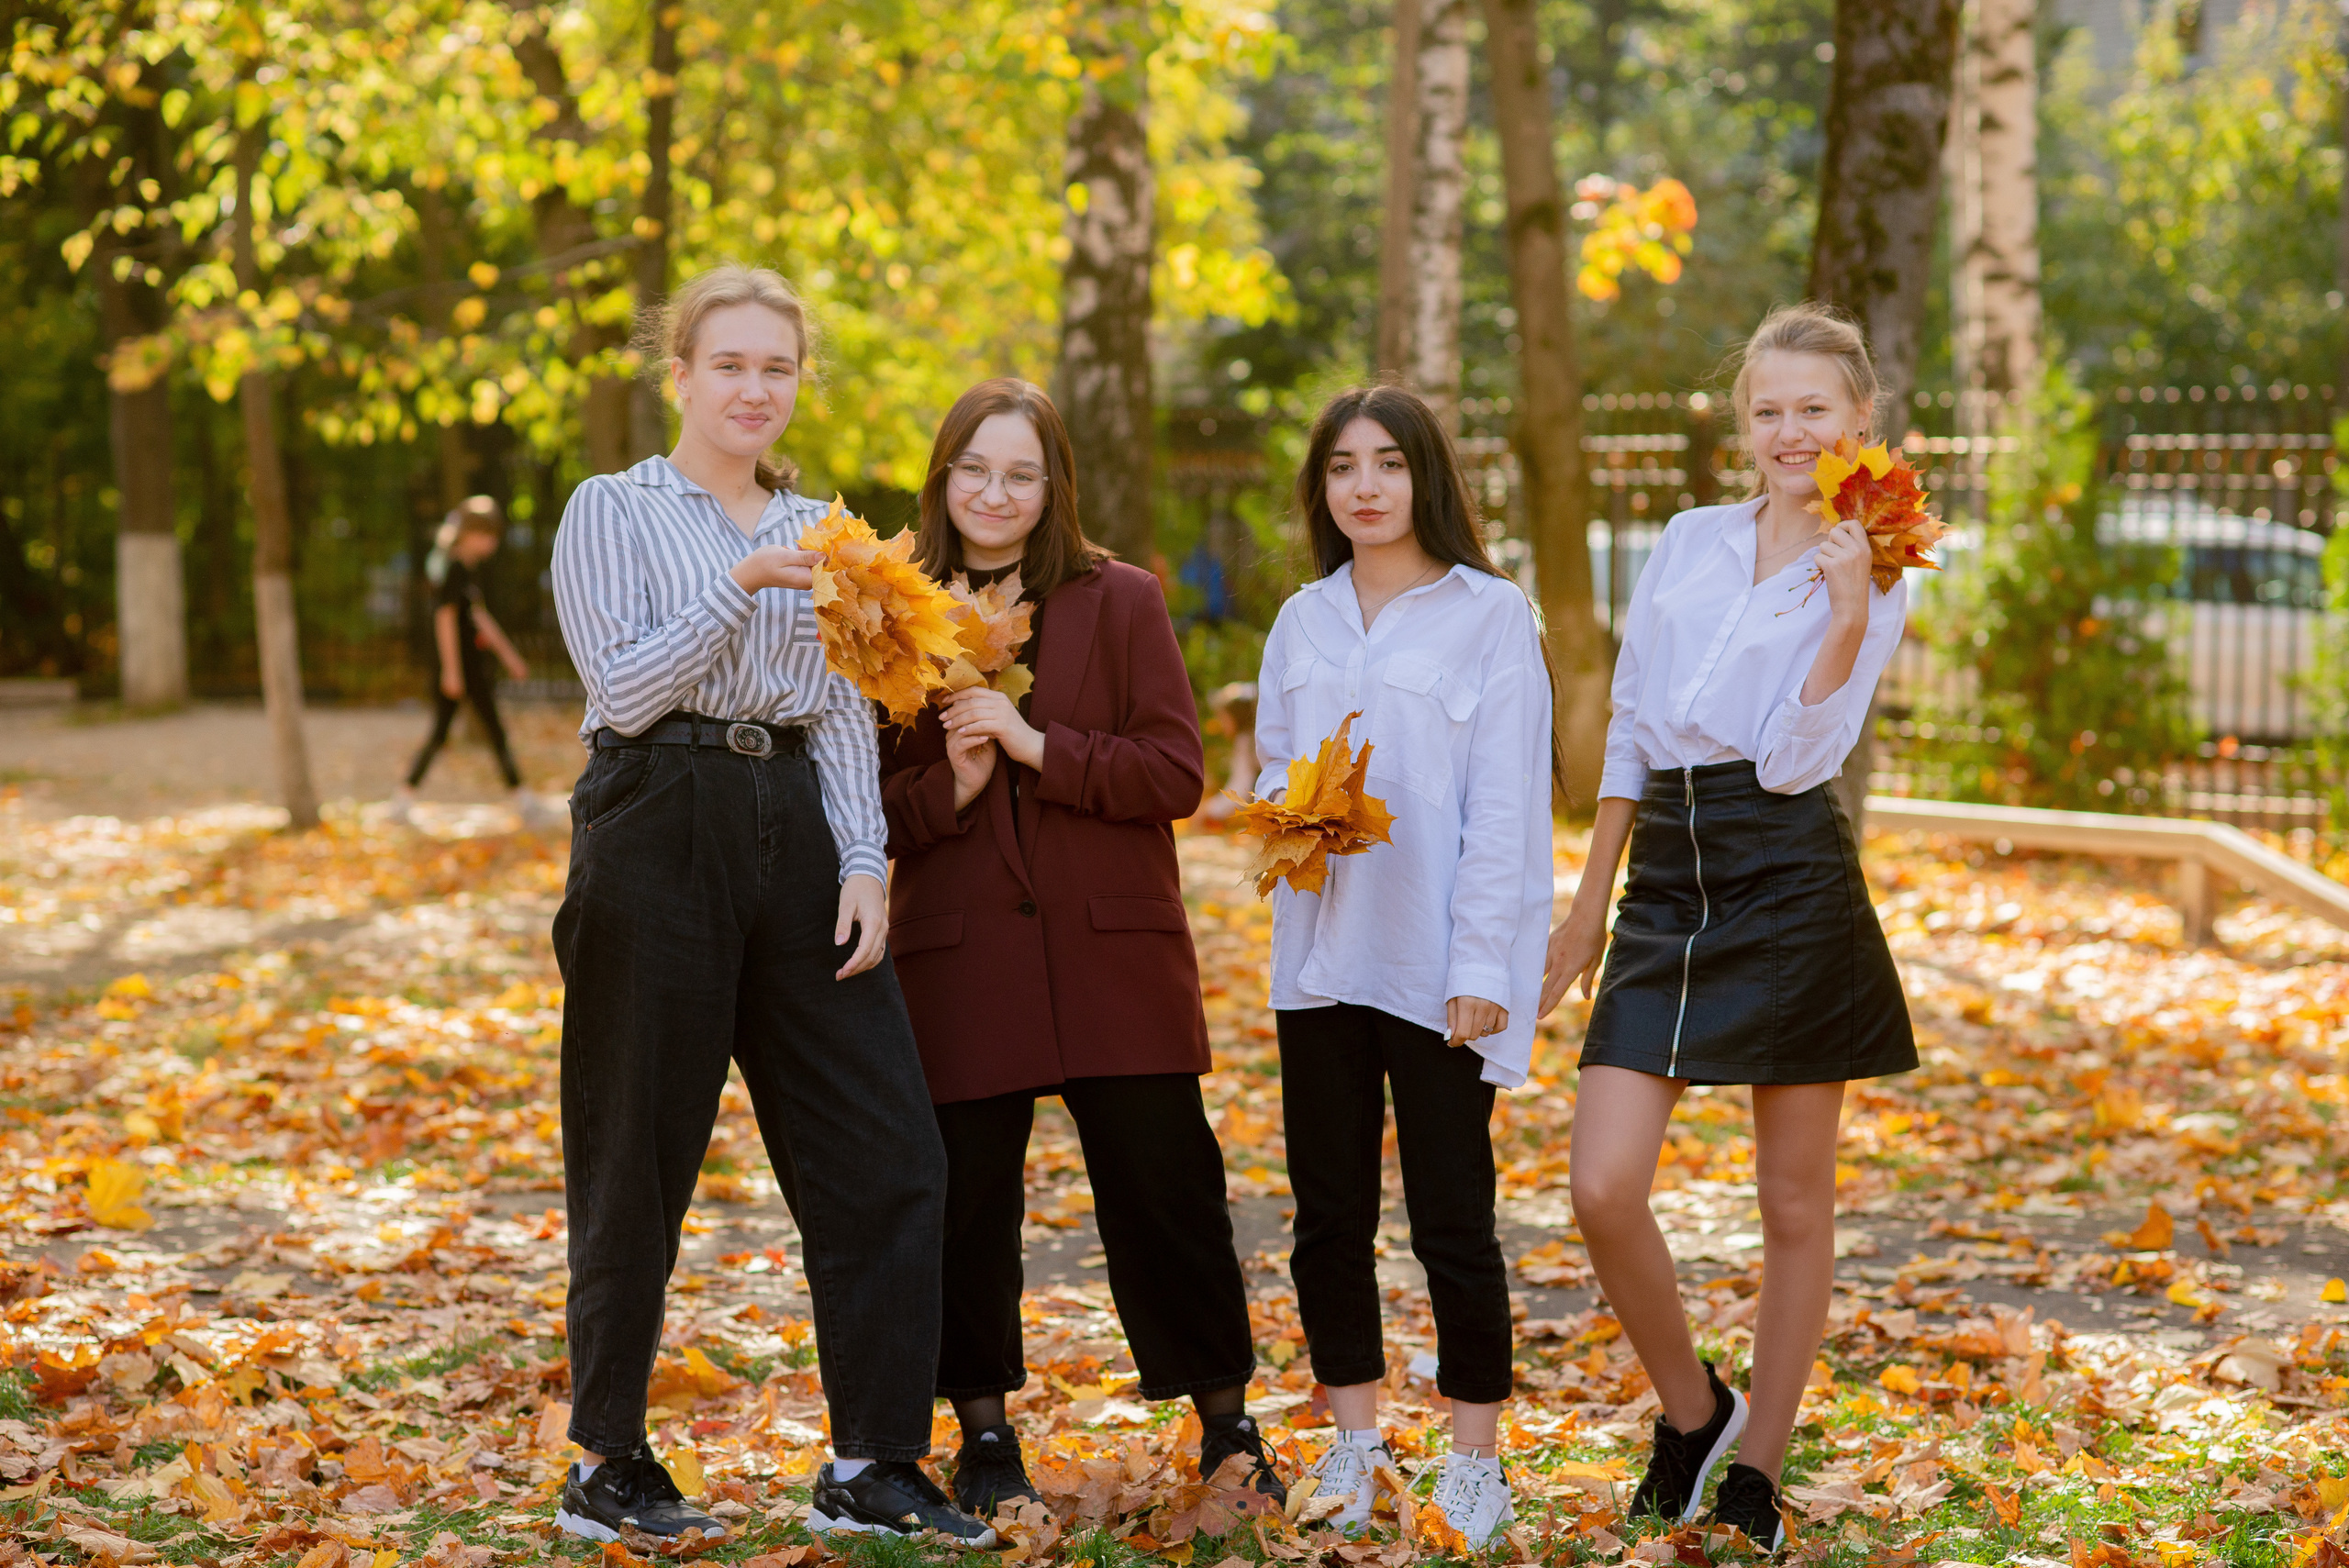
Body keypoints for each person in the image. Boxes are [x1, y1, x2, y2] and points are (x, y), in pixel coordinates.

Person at [547, 262, 993, 1548]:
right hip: (655, 816)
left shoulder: (831, 534)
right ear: (678, 374)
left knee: (887, 1144)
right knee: (638, 1147)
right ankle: (609, 1457)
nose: (755, 388)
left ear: (800, 384)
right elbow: (623, 692)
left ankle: (872, 1461)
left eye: (777, 368)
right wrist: (741, 584)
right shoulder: (612, 509)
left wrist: (864, 863)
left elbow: (844, 707)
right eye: (730, 364)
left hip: (796, 828)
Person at [1539, 302, 1920, 1551]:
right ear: (1742, 422)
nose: (1789, 430)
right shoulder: (1689, 543)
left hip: (1788, 867)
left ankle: (1755, 1466)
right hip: (1666, 878)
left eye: (1815, 409)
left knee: (1795, 1203)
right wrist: (1588, 903)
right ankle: (1694, 1414)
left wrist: (1853, 612)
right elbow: (1637, 725)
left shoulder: (1884, 565)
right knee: (1602, 1184)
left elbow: (1807, 758)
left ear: (1859, 421)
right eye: (1768, 409)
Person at [878, 377, 1285, 1518]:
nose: (994, 493)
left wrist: (1031, 742)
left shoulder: (1124, 599)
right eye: (973, 469)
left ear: (1052, 484)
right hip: (960, 954)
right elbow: (868, 806)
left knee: (1166, 1188)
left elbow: (1174, 773)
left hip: (1114, 953)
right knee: (963, 1199)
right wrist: (950, 786)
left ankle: (1225, 1421)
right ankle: (984, 1430)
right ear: (943, 477)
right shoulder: (890, 612)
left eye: (1019, 472)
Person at [1252, 385, 1558, 1549]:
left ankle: (1474, 1459)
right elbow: (1279, 778)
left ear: (1424, 474)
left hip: (1439, 970)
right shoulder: (1302, 620)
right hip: (1323, 960)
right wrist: (1289, 816)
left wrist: (1485, 962)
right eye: (1341, 466)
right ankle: (1354, 1437)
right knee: (1328, 1214)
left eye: (1386, 462)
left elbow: (1507, 811)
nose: (1365, 486)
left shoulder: (1490, 614)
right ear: (1322, 487)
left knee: (1452, 1218)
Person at [392, 495, 531, 821]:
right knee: (448, 733)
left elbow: (479, 617)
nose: (492, 543)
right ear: (469, 534)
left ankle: (522, 796)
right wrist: (451, 671)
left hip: (472, 668)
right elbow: (445, 619)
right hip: (461, 669)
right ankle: (402, 798)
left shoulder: (467, 570)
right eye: (487, 534)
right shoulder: (454, 568)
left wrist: (510, 656)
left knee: (486, 731)